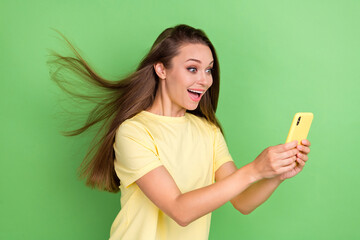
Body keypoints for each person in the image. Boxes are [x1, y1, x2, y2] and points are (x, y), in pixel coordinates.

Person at [48, 24, 311, 240]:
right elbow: (179, 209)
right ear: (161, 69)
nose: (205, 80)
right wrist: (254, 169)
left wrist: (275, 175)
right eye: (192, 68)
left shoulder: (208, 132)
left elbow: (241, 201)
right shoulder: (133, 132)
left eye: (208, 70)